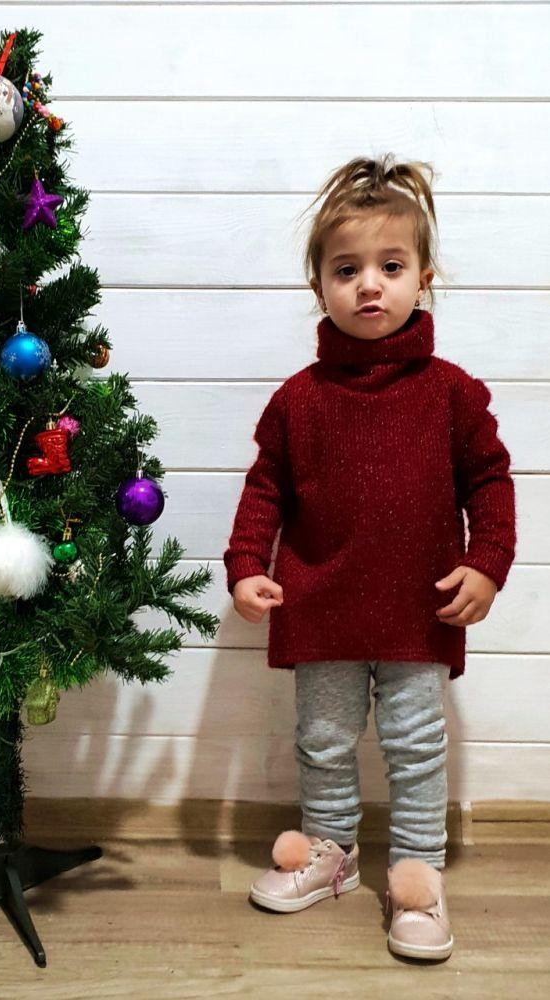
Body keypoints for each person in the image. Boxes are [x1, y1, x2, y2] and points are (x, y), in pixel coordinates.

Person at [222, 155, 517, 961]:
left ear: (424, 278)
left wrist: (488, 562)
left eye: (391, 266)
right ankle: (331, 852)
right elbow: (265, 488)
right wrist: (247, 562)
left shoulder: (452, 392)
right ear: (319, 286)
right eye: (347, 269)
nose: (370, 286)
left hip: (421, 605)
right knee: (322, 739)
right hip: (322, 603)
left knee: (416, 744)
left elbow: (490, 482)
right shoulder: (299, 398)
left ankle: (418, 871)